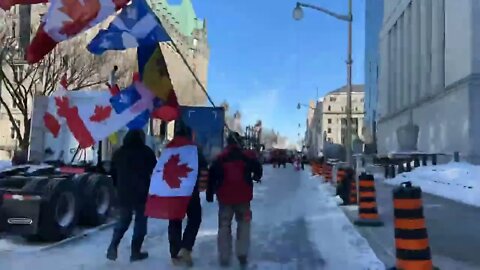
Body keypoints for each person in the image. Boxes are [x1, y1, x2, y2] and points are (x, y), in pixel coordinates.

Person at [207, 132, 262, 268]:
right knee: (244, 224)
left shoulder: (220, 158)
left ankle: (224, 257)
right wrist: (255, 177)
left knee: (224, 226)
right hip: (243, 197)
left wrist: (210, 193)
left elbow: (211, 176)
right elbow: (258, 169)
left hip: (225, 198)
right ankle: (242, 253)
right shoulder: (246, 156)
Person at [106, 129, 157, 262]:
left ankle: (113, 245)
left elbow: (112, 172)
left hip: (123, 192)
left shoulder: (119, 153)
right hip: (142, 192)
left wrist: (118, 186)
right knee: (140, 222)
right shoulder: (146, 152)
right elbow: (155, 170)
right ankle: (135, 252)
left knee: (123, 220)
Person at [168, 122, 208, 267]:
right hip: (191, 191)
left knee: (174, 220)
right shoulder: (194, 149)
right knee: (195, 218)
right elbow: (203, 168)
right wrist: (202, 186)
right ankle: (186, 247)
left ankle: (174, 254)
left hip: (172, 191)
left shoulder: (168, 149)